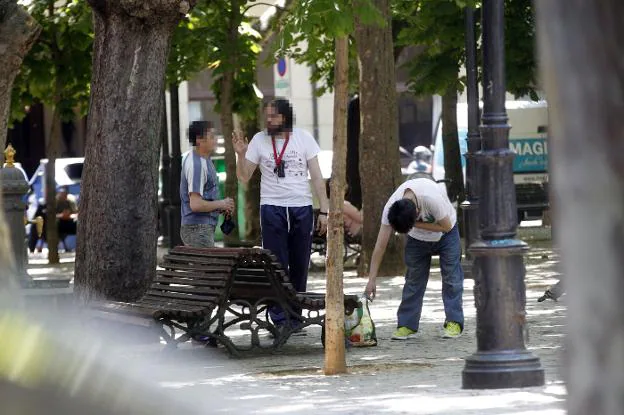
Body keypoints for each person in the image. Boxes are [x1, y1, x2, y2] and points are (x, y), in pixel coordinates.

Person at [232, 98, 329, 330]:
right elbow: (244, 177)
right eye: (267, 116)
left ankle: (295, 317)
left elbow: (317, 176)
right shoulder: (258, 140)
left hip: (301, 207)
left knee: (299, 263)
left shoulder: (304, 138)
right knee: (276, 264)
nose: (269, 120)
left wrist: (324, 210)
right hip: (272, 207)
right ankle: (278, 317)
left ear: (285, 117)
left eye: (274, 116)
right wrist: (241, 154)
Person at [364, 178, 464, 340]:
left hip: (447, 234)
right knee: (413, 280)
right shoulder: (392, 208)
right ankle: (407, 325)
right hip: (417, 241)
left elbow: (446, 227)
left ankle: (454, 322)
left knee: (452, 278)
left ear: (417, 212)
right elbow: (380, 246)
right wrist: (371, 279)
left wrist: (415, 226)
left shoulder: (431, 199)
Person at [180, 121, 235, 248]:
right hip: (197, 229)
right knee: (209, 267)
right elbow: (195, 204)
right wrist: (221, 203)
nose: (215, 139)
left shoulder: (205, 160)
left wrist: (220, 206)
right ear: (199, 140)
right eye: (211, 136)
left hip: (201, 228)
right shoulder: (196, 165)